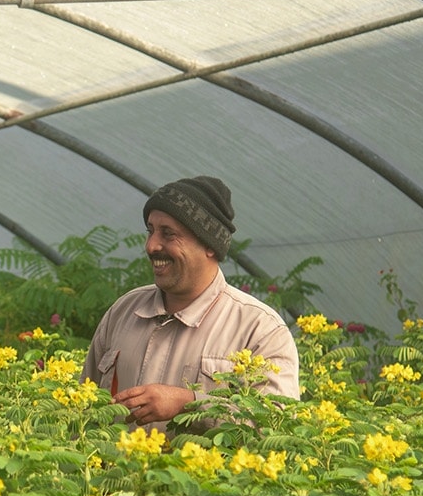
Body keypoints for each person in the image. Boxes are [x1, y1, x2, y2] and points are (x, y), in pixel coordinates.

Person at [83, 177, 299, 428]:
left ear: (209, 245)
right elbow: (84, 412)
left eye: (168, 234)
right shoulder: (123, 312)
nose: (151, 246)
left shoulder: (260, 329)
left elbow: (276, 423)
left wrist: (189, 404)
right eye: (150, 231)